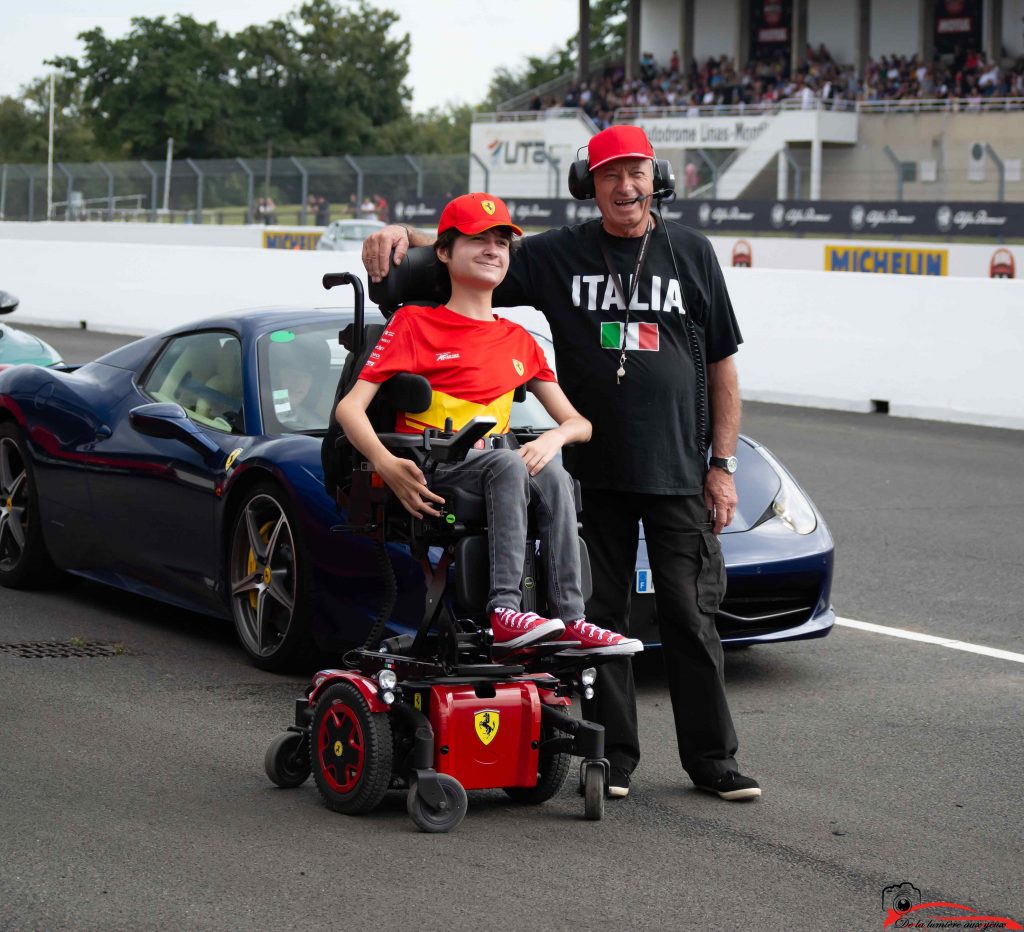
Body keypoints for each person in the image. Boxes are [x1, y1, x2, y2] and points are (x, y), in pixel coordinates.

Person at [361, 125, 759, 803]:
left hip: (678, 468)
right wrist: (399, 236)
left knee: (691, 615)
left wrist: (720, 462)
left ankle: (712, 760)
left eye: (635, 173)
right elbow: (464, 260)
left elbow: (722, 363)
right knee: (601, 618)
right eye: (609, 175)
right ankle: (617, 759)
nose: (624, 187)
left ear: (654, 177)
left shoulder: (690, 252)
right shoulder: (561, 255)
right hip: (591, 471)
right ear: (590, 184)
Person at [337, 192, 643, 659]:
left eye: (501, 242)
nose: (492, 250)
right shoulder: (413, 323)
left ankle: (573, 619)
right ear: (443, 251)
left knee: (555, 472)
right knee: (506, 464)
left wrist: (554, 437)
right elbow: (349, 410)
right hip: (432, 465)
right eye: (478, 239)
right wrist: (386, 462)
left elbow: (580, 423)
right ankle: (505, 612)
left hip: (497, 467)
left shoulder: (518, 339)